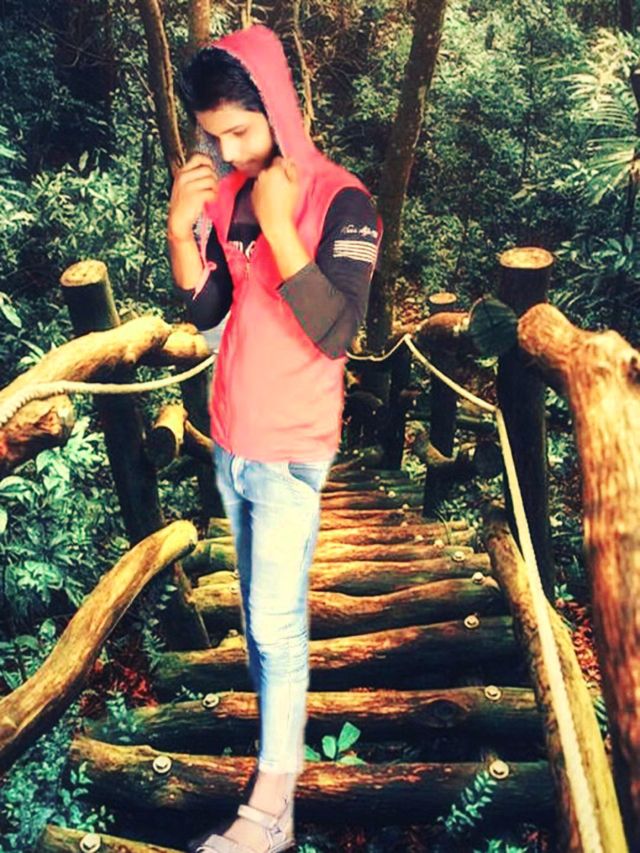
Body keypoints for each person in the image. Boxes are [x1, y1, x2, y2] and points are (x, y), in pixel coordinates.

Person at [168, 24, 381, 853]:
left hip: (291, 447)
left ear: (279, 110)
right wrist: (183, 230)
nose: (228, 151)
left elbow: (337, 332)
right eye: (214, 136)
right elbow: (212, 309)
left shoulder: (342, 199)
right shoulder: (227, 192)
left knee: (278, 626)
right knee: (261, 624)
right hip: (233, 439)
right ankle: (275, 765)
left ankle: (271, 811)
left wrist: (279, 223)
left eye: (240, 132)